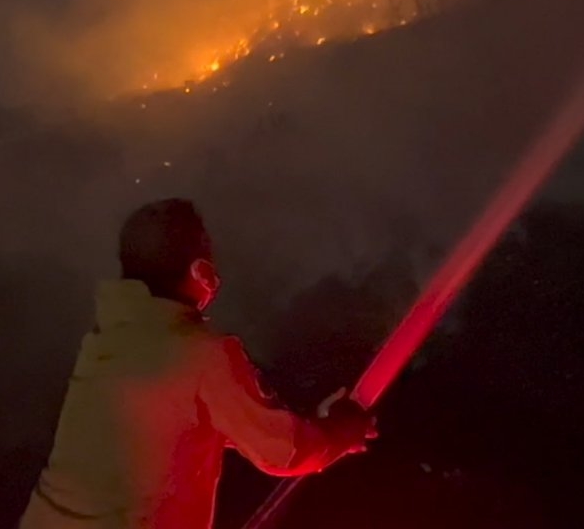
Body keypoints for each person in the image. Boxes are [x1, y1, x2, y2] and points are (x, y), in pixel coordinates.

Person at [20, 199, 376, 528]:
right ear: (199, 270)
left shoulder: (108, 339)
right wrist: (343, 429)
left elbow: (177, 419)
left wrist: (301, 422)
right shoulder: (204, 353)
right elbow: (284, 452)